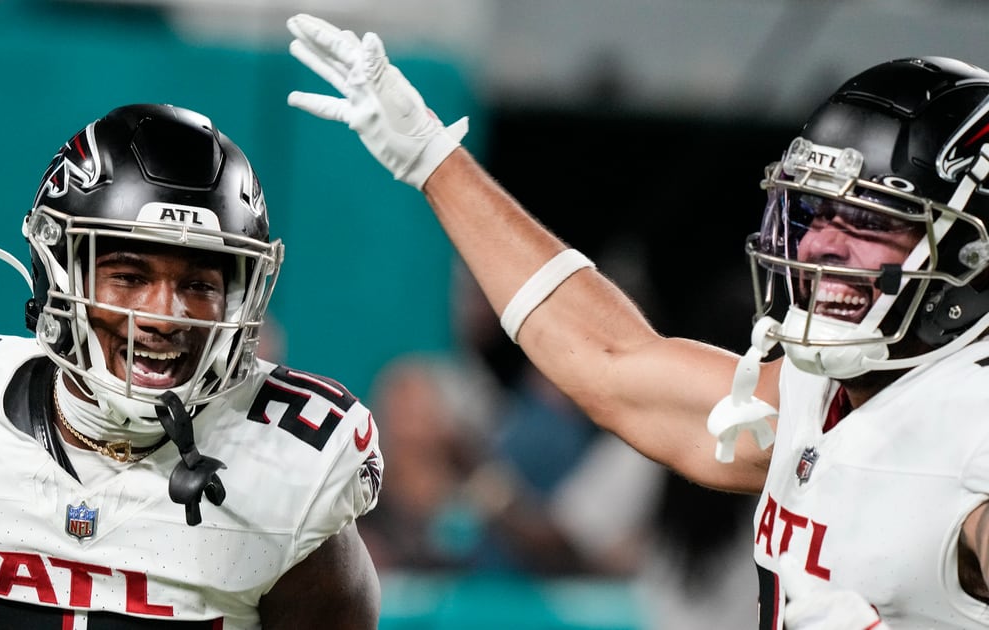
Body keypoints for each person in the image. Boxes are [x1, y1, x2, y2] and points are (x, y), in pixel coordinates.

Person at [285, 13, 989, 630]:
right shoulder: (816, 394)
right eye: (813, 213)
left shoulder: (970, 434)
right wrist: (434, 159)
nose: (820, 246)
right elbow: (610, 360)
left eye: (868, 220)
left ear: (971, 251)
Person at [0, 104, 384, 629]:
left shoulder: (294, 466)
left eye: (198, 285)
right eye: (129, 277)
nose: (164, 317)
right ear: (61, 276)